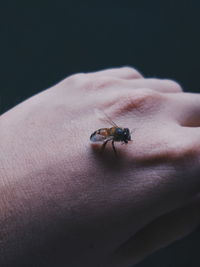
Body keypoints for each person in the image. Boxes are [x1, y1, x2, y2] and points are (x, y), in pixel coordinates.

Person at [0, 66, 199, 267]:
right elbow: (109, 138)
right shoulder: (115, 135)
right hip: (101, 136)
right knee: (108, 140)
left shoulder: (120, 132)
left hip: (105, 132)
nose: (127, 138)